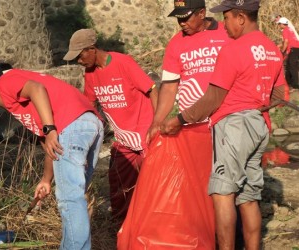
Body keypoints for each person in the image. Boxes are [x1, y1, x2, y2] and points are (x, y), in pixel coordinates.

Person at [160, 0, 287, 249]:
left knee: (222, 193)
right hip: (260, 126)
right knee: (249, 197)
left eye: (227, 18)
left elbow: (212, 99)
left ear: (241, 17)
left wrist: (178, 120)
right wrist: (255, 106)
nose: (225, 25)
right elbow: (280, 94)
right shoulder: (271, 48)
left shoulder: (233, 50)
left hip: (234, 127)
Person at [117, 0, 231, 248]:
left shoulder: (225, 33)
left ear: (202, 13)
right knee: (205, 184)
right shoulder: (177, 43)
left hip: (227, 120)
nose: (181, 23)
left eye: (186, 17)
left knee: (230, 186)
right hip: (195, 125)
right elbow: (169, 86)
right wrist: (157, 121)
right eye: (178, 18)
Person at [0, 62, 104, 250]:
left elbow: (36, 89)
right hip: (90, 125)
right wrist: (46, 180)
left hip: (72, 126)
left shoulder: (6, 81)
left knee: (70, 198)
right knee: (75, 196)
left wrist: (50, 128)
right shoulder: (36, 103)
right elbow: (52, 147)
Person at [63, 29, 158, 224]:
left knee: (154, 182)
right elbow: (90, 105)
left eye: (80, 56)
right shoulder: (90, 74)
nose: (79, 62)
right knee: (119, 183)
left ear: (91, 49)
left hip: (144, 132)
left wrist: (157, 124)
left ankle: (154, 224)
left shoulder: (123, 63)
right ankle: (121, 225)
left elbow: (153, 90)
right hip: (123, 138)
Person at [277, 16, 299, 89]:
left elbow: (286, 42)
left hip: (294, 48)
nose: (279, 26)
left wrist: (283, 51)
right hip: (296, 48)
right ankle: (288, 82)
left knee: (292, 66)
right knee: (289, 65)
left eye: (279, 24)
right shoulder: (290, 29)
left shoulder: (285, 30)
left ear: (283, 24)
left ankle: (295, 85)